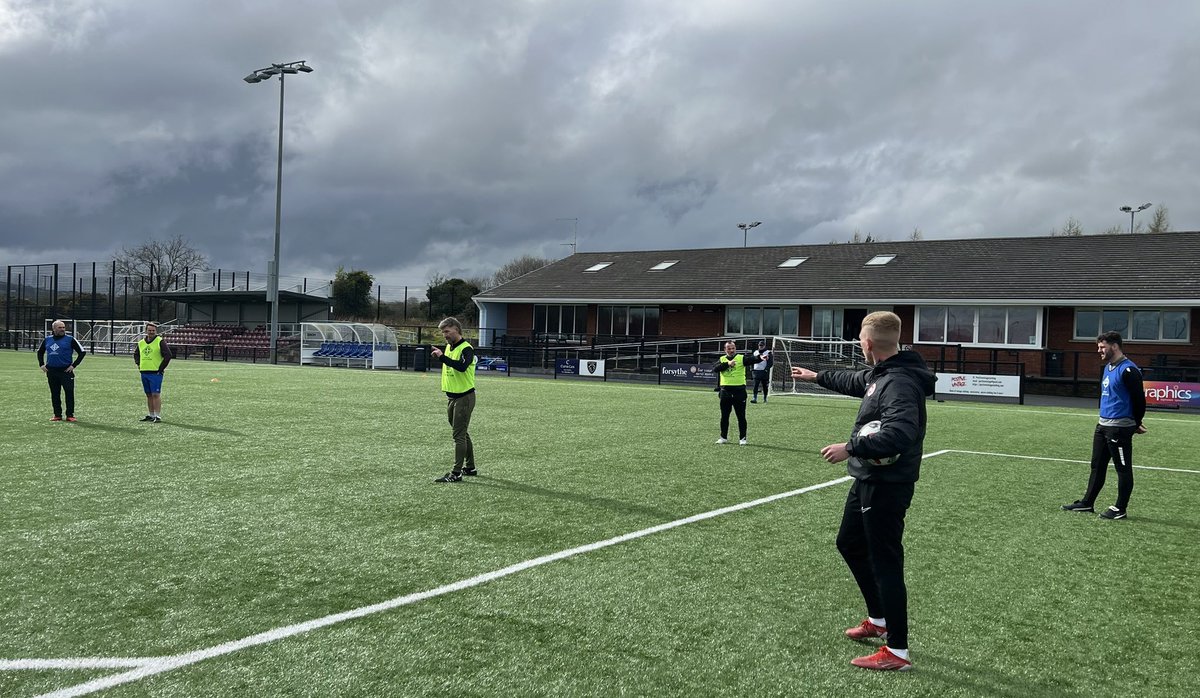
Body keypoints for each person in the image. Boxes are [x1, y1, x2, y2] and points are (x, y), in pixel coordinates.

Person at [792, 311, 936, 672]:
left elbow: (900, 434)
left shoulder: (899, 382)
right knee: (849, 542)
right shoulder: (884, 373)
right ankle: (879, 620)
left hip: (887, 484)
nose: (859, 343)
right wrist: (818, 376)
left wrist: (851, 446)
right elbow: (858, 381)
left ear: (868, 343)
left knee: (886, 560)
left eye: (859, 337)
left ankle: (898, 652)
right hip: (869, 479)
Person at [1061, 331, 1146, 520]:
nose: (1099, 350)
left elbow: (1139, 400)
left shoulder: (1129, 370)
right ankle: (1087, 503)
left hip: (1119, 428)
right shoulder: (1108, 367)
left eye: (1102, 347)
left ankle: (1120, 508)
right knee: (1097, 465)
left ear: (1114, 346)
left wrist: (1136, 423)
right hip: (1102, 425)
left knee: (1122, 469)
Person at [431, 317, 478, 482]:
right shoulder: (449, 347)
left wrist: (442, 357)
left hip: (464, 397)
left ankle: (456, 473)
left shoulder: (467, 349)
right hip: (452, 397)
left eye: (447, 331)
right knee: (462, 433)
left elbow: (462, 366)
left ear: (456, 329)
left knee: (458, 435)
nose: (444, 335)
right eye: (443, 332)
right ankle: (470, 467)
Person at [37, 320, 86, 422]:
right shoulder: (47, 340)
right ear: (54, 329)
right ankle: (57, 415)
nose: (63, 329)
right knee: (55, 393)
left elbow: (82, 352)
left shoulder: (70, 339)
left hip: (66, 372)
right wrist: (41, 364)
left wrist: (73, 365)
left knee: (69, 392)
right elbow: (40, 352)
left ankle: (70, 415)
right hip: (51, 371)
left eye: (63, 327)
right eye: (60, 327)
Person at [134, 322, 172, 423]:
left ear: (156, 331)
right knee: (149, 394)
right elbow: (136, 354)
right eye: (149, 330)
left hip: (155, 373)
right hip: (144, 372)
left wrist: (161, 368)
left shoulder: (160, 341)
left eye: (153, 331)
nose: (151, 332)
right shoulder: (141, 342)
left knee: (156, 394)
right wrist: (139, 364)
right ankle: (151, 415)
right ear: (146, 331)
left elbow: (168, 355)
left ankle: (157, 416)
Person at [713, 340, 750, 445]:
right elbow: (715, 369)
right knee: (724, 416)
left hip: (739, 392)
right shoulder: (721, 359)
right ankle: (723, 437)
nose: (731, 350)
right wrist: (727, 364)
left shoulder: (741, 358)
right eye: (729, 348)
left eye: (733, 348)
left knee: (741, 416)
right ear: (725, 350)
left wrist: (760, 358)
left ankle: (743, 439)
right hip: (725, 392)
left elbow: (752, 360)